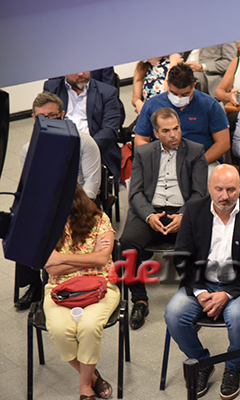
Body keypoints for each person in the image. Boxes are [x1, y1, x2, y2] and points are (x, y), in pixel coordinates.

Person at [164, 164, 240, 399]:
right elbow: (182, 257)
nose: (225, 196)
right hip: (202, 283)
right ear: (209, 188)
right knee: (173, 315)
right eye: (219, 189)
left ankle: (233, 368)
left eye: (231, 190)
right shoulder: (193, 211)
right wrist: (200, 291)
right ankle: (202, 362)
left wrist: (227, 294)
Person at [120, 107, 207, 330]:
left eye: (176, 128)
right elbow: (135, 193)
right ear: (156, 133)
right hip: (151, 210)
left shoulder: (196, 151)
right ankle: (139, 300)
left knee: (193, 246)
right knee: (127, 244)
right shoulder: (143, 152)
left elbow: (199, 193)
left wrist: (183, 216)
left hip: (182, 211)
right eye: (166, 131)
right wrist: (149, 216)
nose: (173, 135)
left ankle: (188, 301)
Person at [15, 93, 103, 311]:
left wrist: (67, 211)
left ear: (62, 115)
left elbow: (92, 187)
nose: (47, 121)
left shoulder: (85, 142)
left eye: (52, 116)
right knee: (21, 228)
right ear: (34, 118)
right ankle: (34, 284)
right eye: (41, 117)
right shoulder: (28, 149)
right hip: (47, 206)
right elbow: (31, 188)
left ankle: (66, 276)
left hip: (80, 205)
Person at [42, 184, 120, 400]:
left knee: (89, 326)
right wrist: (89, 259)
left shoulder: (100, 219)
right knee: (59, 330)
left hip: (101, 285)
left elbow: (102, 259)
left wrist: (61, 258)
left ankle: (85, 385)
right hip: (59, 287)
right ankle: (93, 377)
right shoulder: (47, 224)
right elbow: (51, 268)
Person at [134, 63, 230, 168]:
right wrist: (159, 160)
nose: (179, 98)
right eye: (174, 93)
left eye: (185, 94)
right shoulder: (152, 105)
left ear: (193, 86)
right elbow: (140, 140)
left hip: (202, 162)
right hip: (162, 163)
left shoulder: (210, 105)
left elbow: (223, 143)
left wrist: (199, 163)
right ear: (167, 84)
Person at [43, 71, 123, 179]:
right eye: (75, 70)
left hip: (95, 149)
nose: (81, 73)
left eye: (84, 68)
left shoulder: (107, 92)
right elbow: (45, 123)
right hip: (61, 148)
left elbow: (109, 130)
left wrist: (83, 150)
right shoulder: (52, 89)